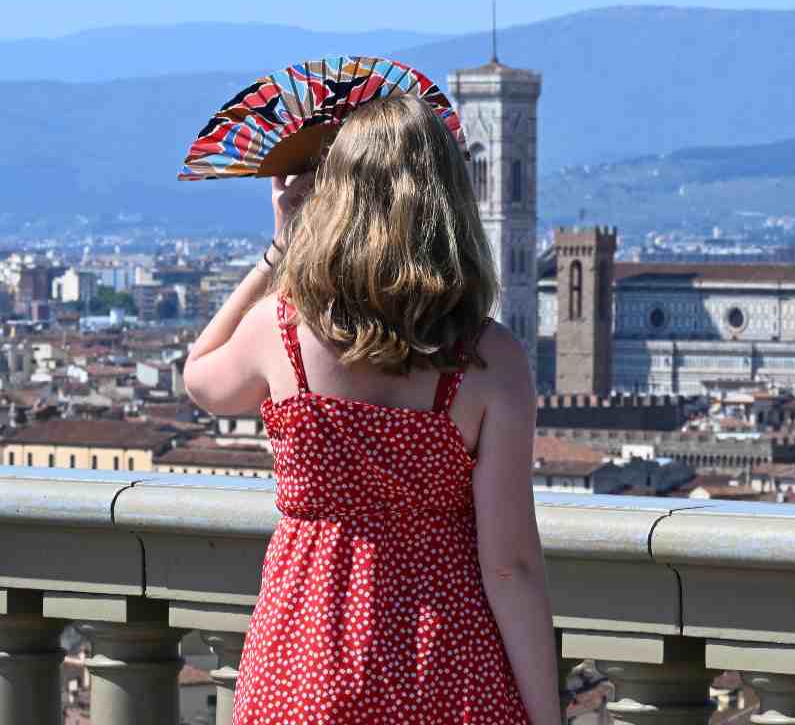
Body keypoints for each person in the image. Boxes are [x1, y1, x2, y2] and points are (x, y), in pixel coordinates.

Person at [183, 95, 560, 724]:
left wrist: (279, 253)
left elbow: (201, 378)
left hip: (304, 662)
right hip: (449, 667)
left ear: (337, 198)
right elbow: (510, 565)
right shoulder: (492, 362)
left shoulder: (280, 333)